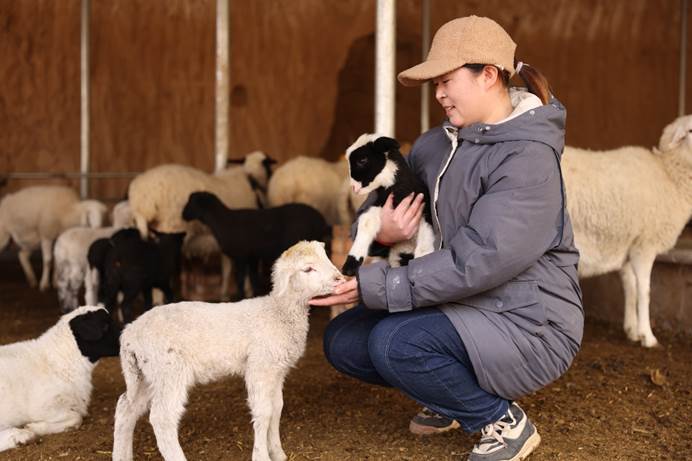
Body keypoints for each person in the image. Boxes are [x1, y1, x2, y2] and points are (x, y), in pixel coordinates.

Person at [310, 15, 583, 461]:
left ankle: (501, 421)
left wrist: (372, 286)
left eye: (446, 80)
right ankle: (446, 394)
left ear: (489, 75)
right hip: (458, 302)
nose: (437, 93)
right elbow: (382, 198)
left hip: (527, 321)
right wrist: (386, 231)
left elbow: (480, 260)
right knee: (343, 341)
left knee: (393, 344)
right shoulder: (434, 145)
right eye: (434, 83)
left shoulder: (528, 157)